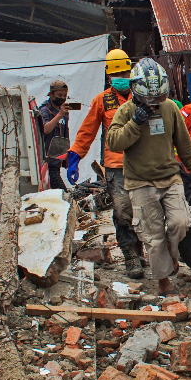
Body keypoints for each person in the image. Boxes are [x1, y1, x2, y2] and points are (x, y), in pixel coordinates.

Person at [106, 58, 191, 297]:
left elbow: (184, 142)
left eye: (158, 97)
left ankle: (170, 256)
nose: (155, 103)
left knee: (181, 222)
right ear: (138, 92)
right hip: (140, 182)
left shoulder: (169, 108)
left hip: (170, 177)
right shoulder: (125, 111)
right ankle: (164, 281)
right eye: (150, 99)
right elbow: (114, 142)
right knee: (153, 234)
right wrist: (136, 122)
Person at [66, 49, 145, 279]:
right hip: (115, 166)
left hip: (142, 165)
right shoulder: (102, 100)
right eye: (117, 72)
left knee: (143, 212)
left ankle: (140, 252)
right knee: (122, 211)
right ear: (110, 75)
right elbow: (87, 131)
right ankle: (131, 257)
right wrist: (74, 157)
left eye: (124, 72)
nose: (121, 76)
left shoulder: (141, 97)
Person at [38, 80, 70, 190]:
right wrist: (59, 115)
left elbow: (65, 134)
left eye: (65, 95)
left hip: (58, 160)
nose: (62, 98)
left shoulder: (64, 113)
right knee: (62, 193)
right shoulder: (45, 110)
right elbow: (46, 129)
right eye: (59, 95)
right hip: (47, 161)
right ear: (51, 95)